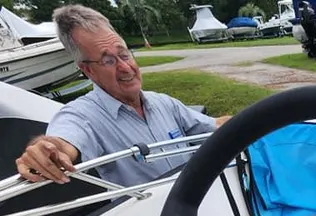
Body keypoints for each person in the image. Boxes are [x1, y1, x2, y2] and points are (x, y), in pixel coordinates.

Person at [15, 4, 232, 187]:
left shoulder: (164, 103)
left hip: (202, 202)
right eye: (108, 60)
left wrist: (252, 121)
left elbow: (215, 126)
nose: (125, 67)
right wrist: (46, 152)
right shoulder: (82, 115)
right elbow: (62, 142)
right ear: (88, 70)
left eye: (124, 54)